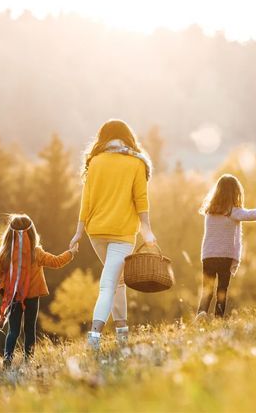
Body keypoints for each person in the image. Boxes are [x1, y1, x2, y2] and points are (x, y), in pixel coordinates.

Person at [70, 119, 157, 351]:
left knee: (118, 281)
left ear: (103, 137)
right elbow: (141, 200)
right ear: (128, 137)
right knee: (109, 284)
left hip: (96, 231)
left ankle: (122, 333)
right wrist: (147, 230)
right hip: (122, 233)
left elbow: (86, 201)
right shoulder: (136, 162)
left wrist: (78, 232)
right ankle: (94, 337)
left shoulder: (95, 161)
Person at [0, 214, 76, 368]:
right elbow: (56, 262)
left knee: (13, 330)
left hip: (14, 297)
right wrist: (71, 253)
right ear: (31, 232)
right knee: (30, 329)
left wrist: (5, 290)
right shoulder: (36, 252)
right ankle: (28, 360)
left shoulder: (5, 253)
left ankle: (7, 359)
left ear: (9, 234)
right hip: (32, 297)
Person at [196, 174, 256, 319]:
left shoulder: (210, 212)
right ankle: (218, 319)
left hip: (208, 256)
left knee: (206, 289)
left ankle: (201, 314)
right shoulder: (232, 212)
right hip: (224, 257)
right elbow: (254, 214)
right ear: (235, 193)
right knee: (222, 289)